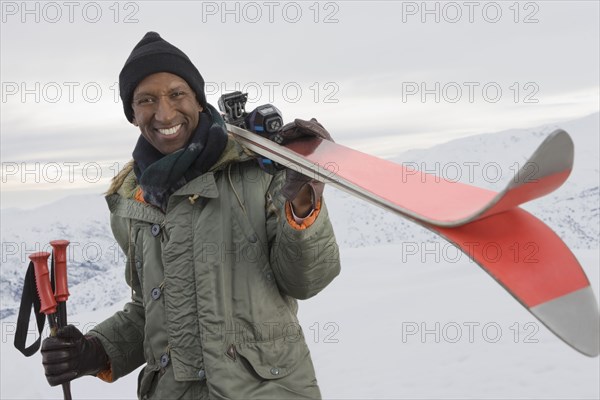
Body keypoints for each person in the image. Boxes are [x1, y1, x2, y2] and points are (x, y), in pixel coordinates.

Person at [41, 32, 341, 399]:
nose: (164, 113)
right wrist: (96, 350)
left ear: (198, 100)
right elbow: (150, 310)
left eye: (176, 94)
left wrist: (304, 202)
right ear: (132, 114)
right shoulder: (132, 201)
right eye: (146, 100)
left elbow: (305, 282)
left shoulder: (257, 170)